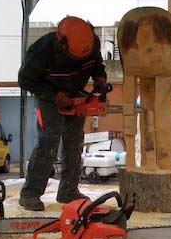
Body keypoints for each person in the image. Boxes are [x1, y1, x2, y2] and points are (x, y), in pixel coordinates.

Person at [18, 16, 109, 211]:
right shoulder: (41, 51)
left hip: (76, 92)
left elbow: (96, 63)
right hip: (49, 95)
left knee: (75, 142)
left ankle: (68, 191)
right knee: (48, 140)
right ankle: (30, 193)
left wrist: (100, 77)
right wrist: (55, 95)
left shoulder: (91, 44)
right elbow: (25, 80)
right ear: (61, 44)